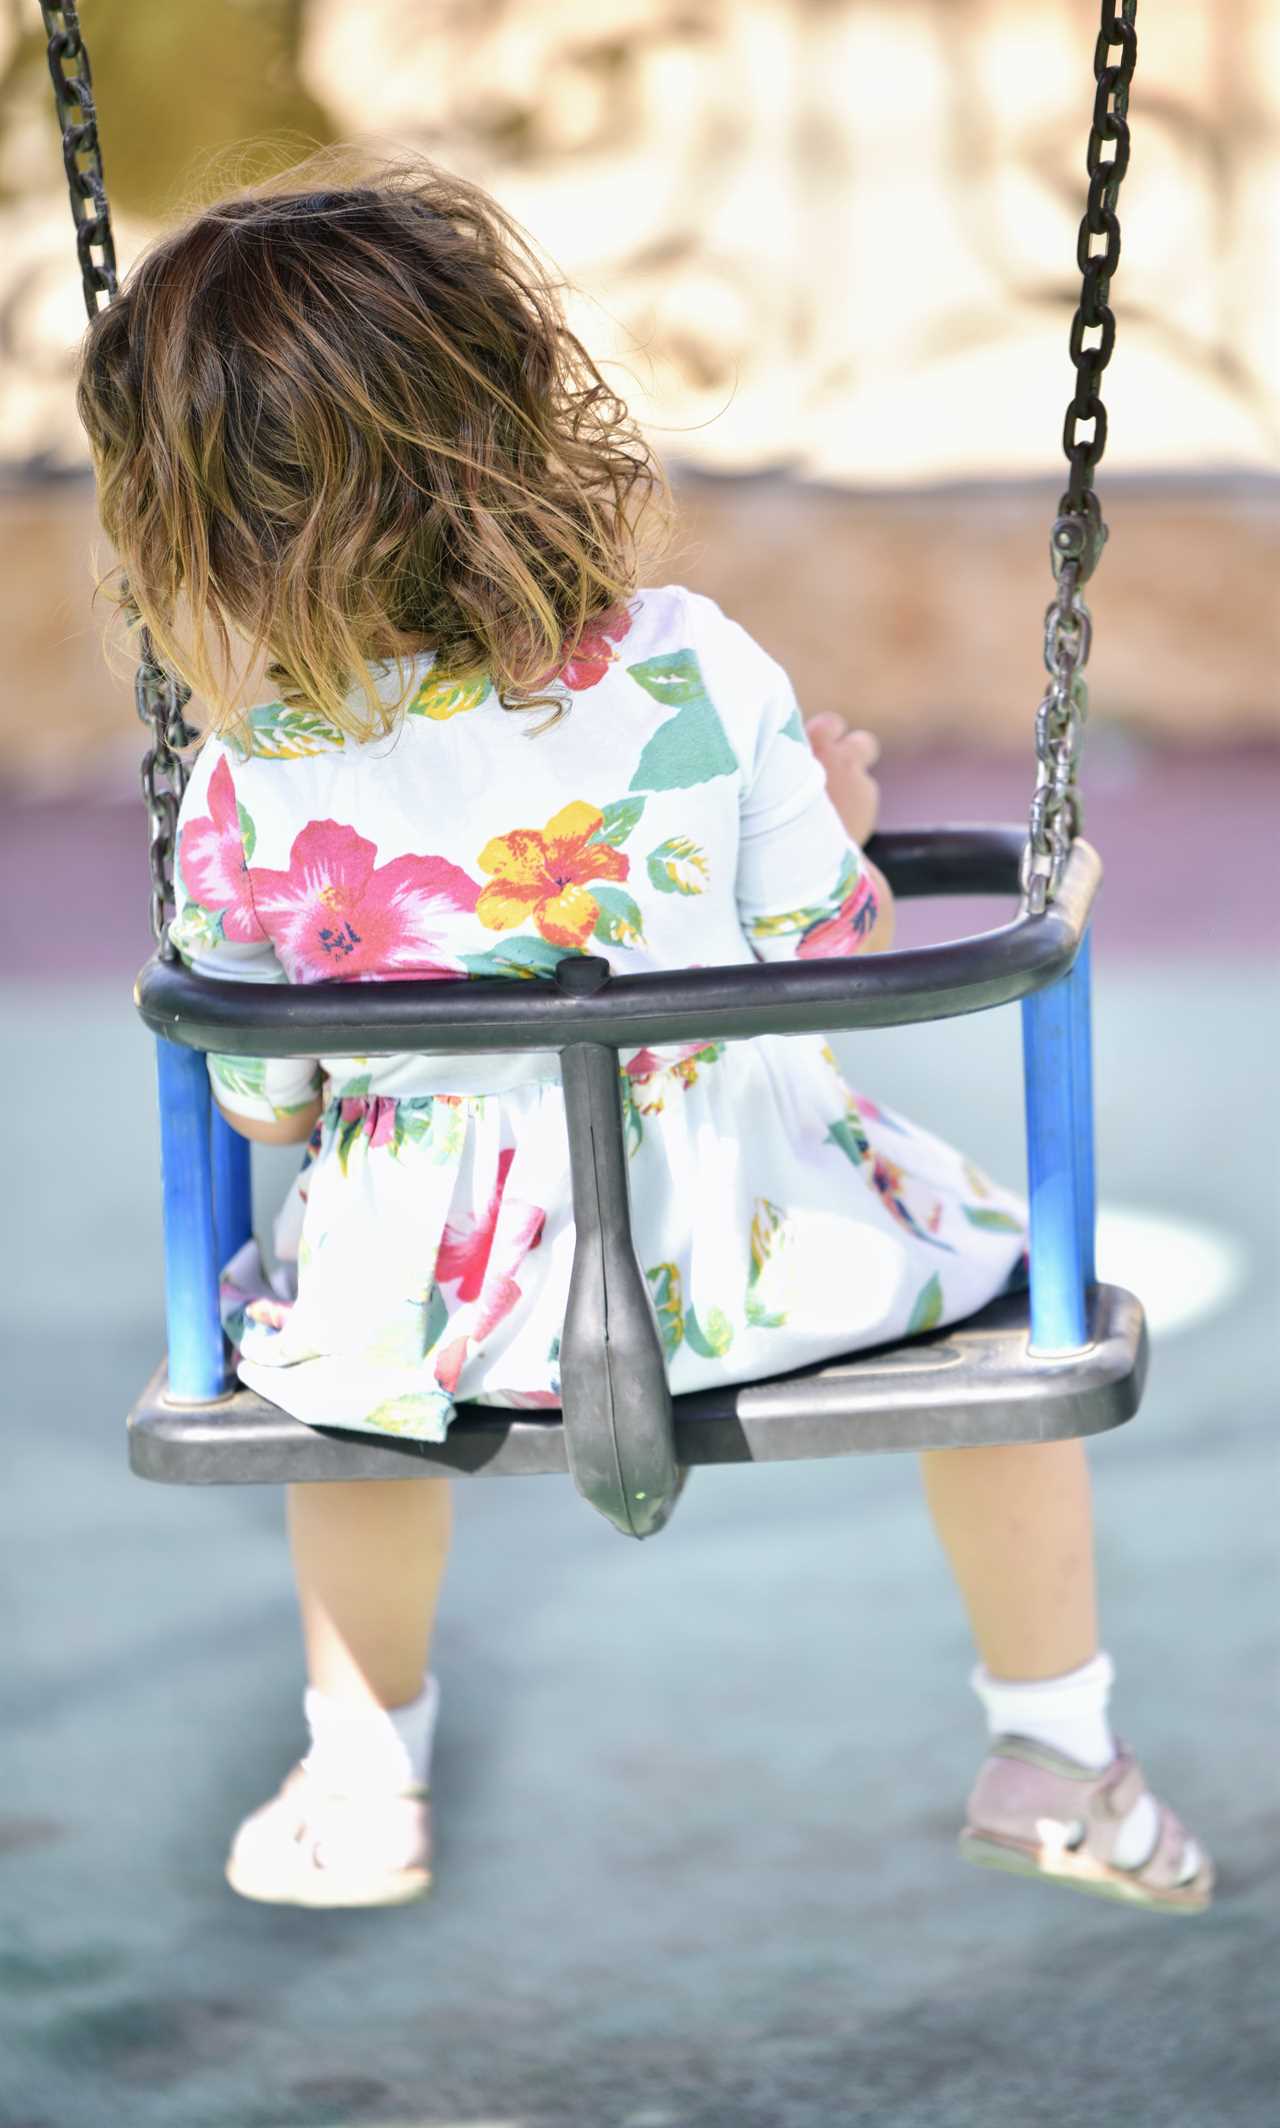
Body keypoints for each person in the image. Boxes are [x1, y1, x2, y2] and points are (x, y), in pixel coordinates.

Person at [76, 154, 1211, 1916]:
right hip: (773, 1261)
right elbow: (825, 942)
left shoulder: (247, 778)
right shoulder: (692, 669)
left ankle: (362, 1770)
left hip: (433, 1314)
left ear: (201, 526)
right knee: (1007, 1320)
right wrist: (833, 809)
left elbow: (267, 1102)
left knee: (335, 1401)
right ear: (523, 417)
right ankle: (1059, 1748)